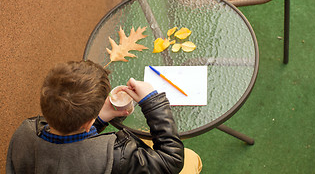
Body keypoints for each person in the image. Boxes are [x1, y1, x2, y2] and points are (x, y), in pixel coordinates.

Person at [6, 60, 189, 173]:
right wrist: (152, 101)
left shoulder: (25, 130)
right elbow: (171, 161)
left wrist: (98, 119)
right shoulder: (117, 156)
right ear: (87, 124)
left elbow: (67, 146)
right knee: (192, 159)